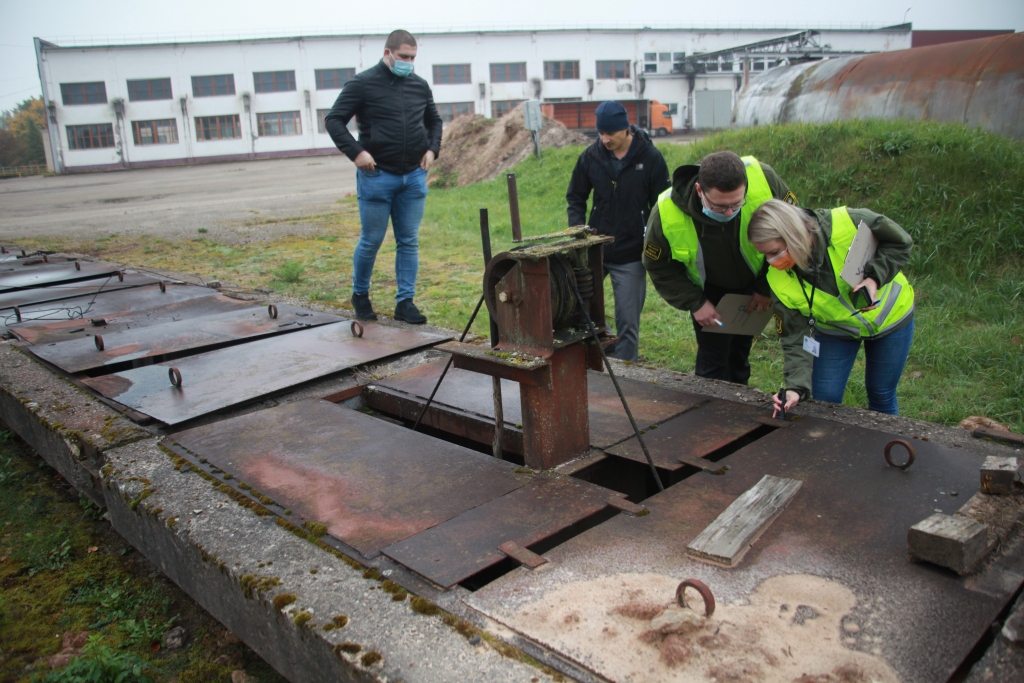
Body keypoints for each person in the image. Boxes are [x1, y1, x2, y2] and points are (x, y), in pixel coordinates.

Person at [747, 199, 915, 416]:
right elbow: (794, 336)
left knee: (881, 392)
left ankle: (887, 448)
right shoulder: (778, 280)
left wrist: (874, 278)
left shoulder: (849, 222)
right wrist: (795, 387)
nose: (771, 261)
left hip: (892, 318)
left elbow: (900, 242)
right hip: (836, 331)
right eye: (765, 255)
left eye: (774, 251)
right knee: (826, 400)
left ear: (793, 235)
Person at [642, 151, 796, 384]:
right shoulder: (665, 211)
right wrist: (695, 302)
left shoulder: (764, 178)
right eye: (719, 206)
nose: (729, 212)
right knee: (713, 361)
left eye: (737, 204)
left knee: (740, 355)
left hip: (755, 283)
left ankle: (739, 406)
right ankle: (709, 413)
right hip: (709, 295)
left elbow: (793, 227)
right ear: (699, 190)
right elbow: (658, 265)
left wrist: (765, 287)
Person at [325, 29, 443, 324]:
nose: (408, 62)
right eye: (403, 56)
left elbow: (434, 121)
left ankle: (405, 303)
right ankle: (360, 295)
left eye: (413, 57)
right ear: (388, 53)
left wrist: (433, 149)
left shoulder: (419, 85)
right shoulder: (363, 84)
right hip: (377, 175)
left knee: (408, 241)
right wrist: (356, 153)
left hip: (414, 177)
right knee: (372, 240)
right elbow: (334, 119)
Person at [565, 101, 670, 361]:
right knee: (573, 303)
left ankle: (626, 375)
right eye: (600, 133)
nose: (605, 139)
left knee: (628, 322)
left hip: (631, 254)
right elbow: (576, 197)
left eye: (610, 133)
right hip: (594, 251)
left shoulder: (650, 157)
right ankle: (606, 347)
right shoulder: (590, 157)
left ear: (625, 130)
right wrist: (579, 229)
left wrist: (652, 239)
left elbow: (663, 204)